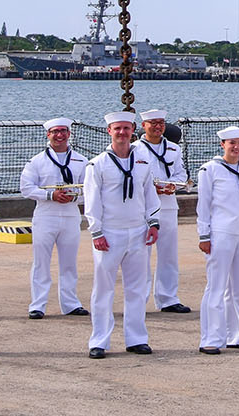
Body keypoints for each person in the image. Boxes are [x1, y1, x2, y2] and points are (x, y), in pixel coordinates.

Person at [82, 111, 161, 359]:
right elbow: (91, 201)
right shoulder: (98, 164)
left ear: (133, 130)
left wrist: (153, 223)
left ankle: (136, 338)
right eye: (117, 129)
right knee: (103, 289)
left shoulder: (143, 162)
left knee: (137, 288)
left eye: (126, 129)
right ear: (109, 131)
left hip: (137, 231)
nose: (122, 133)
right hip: (110, 232)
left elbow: (149, 195)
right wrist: (96, 231)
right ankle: (99, 341)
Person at [196, 127, 239, 355]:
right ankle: (210, 338)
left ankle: (235, 335)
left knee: (237, 288)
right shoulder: (210, 170)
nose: (237, 147)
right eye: (232, 143)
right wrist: (204, 235)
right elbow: (203, 205)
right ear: (223, 144)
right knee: (216, 286)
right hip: (220, 233)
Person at [19, 117, 86, 319]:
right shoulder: (37, 161)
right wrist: (50, 195)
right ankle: (37, 305)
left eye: (63, 131)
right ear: (48, 135)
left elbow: (90, 189)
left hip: (70, 214)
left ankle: (70, 303)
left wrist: (74, 196)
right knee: (41, 262)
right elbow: (26, 188)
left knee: (69, 263)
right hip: (46, 214)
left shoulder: (81, 161)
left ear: (69, 134)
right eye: (55, 132)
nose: (59, 135)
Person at [133, 109, 191, 315]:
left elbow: (181, 174)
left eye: (161, 123)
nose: (157, 127)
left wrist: (173, 186)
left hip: (167, 205)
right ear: (144, 125)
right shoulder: (135, 149)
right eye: (153, 123)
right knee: (141, 255)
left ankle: (168, 298)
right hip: (143, 207)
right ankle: (139, 298)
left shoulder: (173, 149)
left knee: (168, 254)